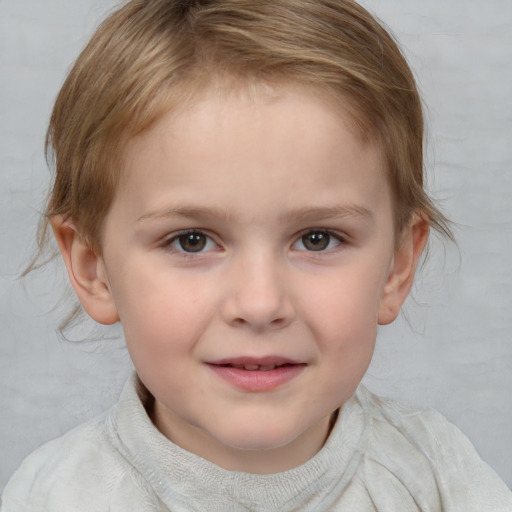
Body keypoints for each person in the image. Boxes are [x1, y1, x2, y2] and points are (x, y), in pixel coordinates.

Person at [2, 0, 511, 510]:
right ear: (95, 270)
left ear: (396, 268)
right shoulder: (55, 495)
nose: (261, 303)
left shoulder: (440, 479)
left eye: (317, 239)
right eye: (192, 241)